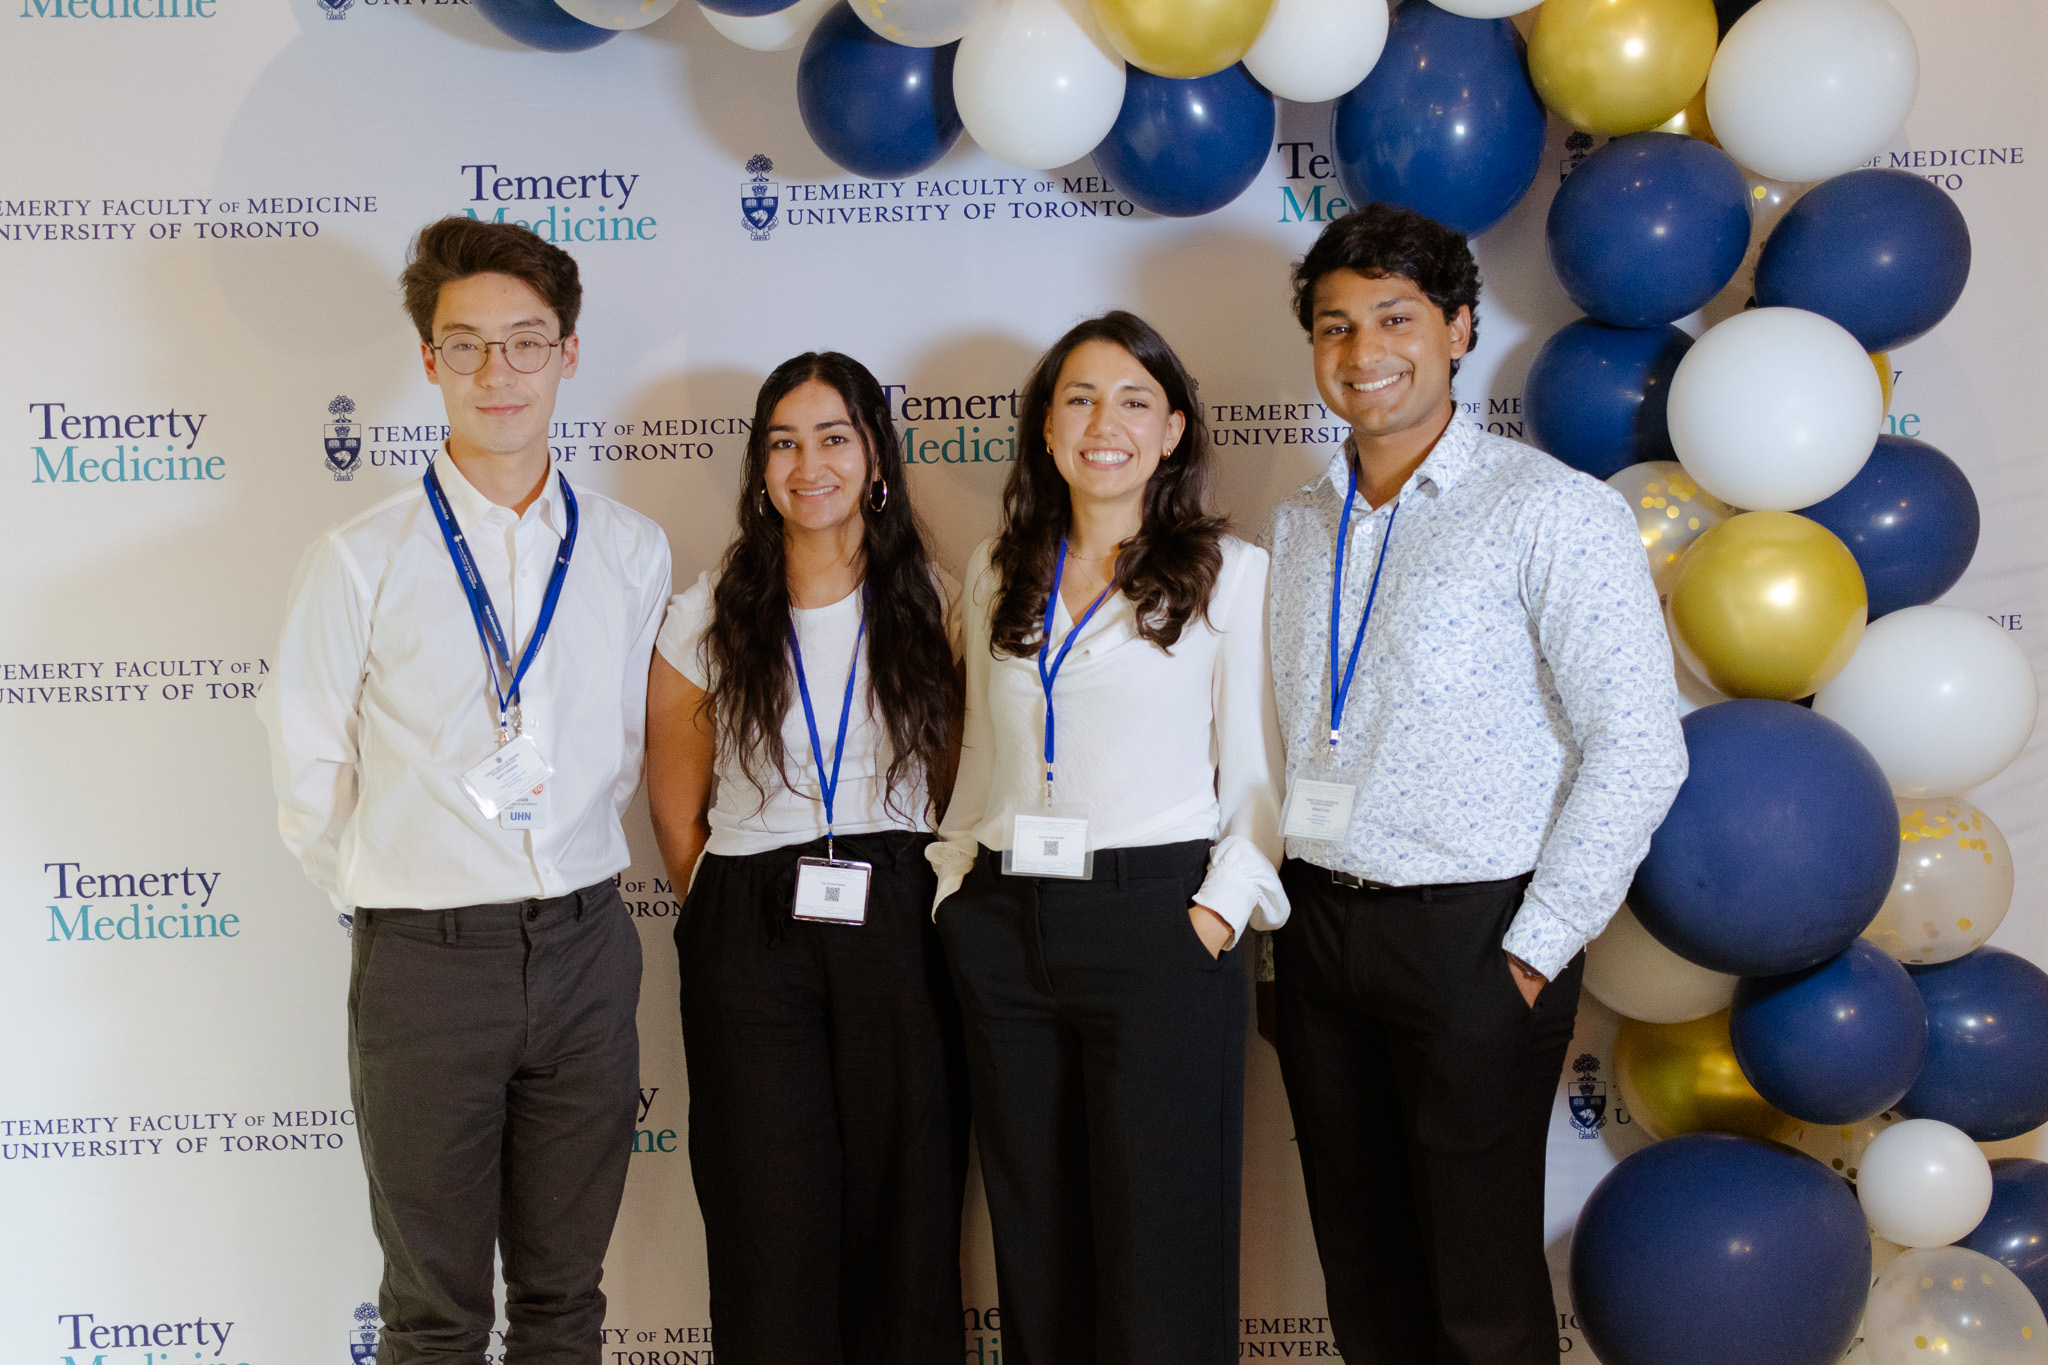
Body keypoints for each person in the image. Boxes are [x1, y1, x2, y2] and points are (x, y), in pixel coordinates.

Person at [1263, 202, 1689, 1364]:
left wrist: (1531, 944)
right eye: (1335, 326)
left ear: (1457, 329)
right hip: (1317, 931)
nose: (1363, 355)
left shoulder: (1550, 510)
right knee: (1362, 1266)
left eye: (1395, 319)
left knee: (1478, 1292)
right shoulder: (1299, 524)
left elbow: (1641, 745)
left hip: (1474, 934)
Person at [257, 216, 670, 1365]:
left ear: (569, 355)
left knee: (563, 1304)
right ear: (429, 359)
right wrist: (399, 890)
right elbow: (308, 772)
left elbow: (622, 749)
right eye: (468, 344)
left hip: (588, 949)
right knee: (434, 1315)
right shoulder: (360, 556)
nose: (499, 373)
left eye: (525, 342)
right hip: (426, 964)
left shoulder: (631, 550)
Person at [929, 310, 1288, 1365]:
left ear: (1172, 430)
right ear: (1046, 427)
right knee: (1037, 1241)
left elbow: (1257, 779)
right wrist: (955, 887)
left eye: (1134, 401)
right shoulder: (1000, 564)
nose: (1104, 423)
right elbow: (984, 761)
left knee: (1160, 1246)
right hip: (1005, 923)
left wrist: (1215, 918)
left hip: (1157, 927)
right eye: (1079, 398)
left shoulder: (1229, 572)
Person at [645, 352, 971, 1365]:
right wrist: (724, 903)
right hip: (752, 917)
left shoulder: (939, 605)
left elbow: (963, 778)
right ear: (757, 467)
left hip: (902, 917)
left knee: (907, 1202)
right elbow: (674, 802)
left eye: (833, 436)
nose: (808, 462)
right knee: (766, 1209)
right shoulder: (706, 612)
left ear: (874, 458)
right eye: (783, 442)